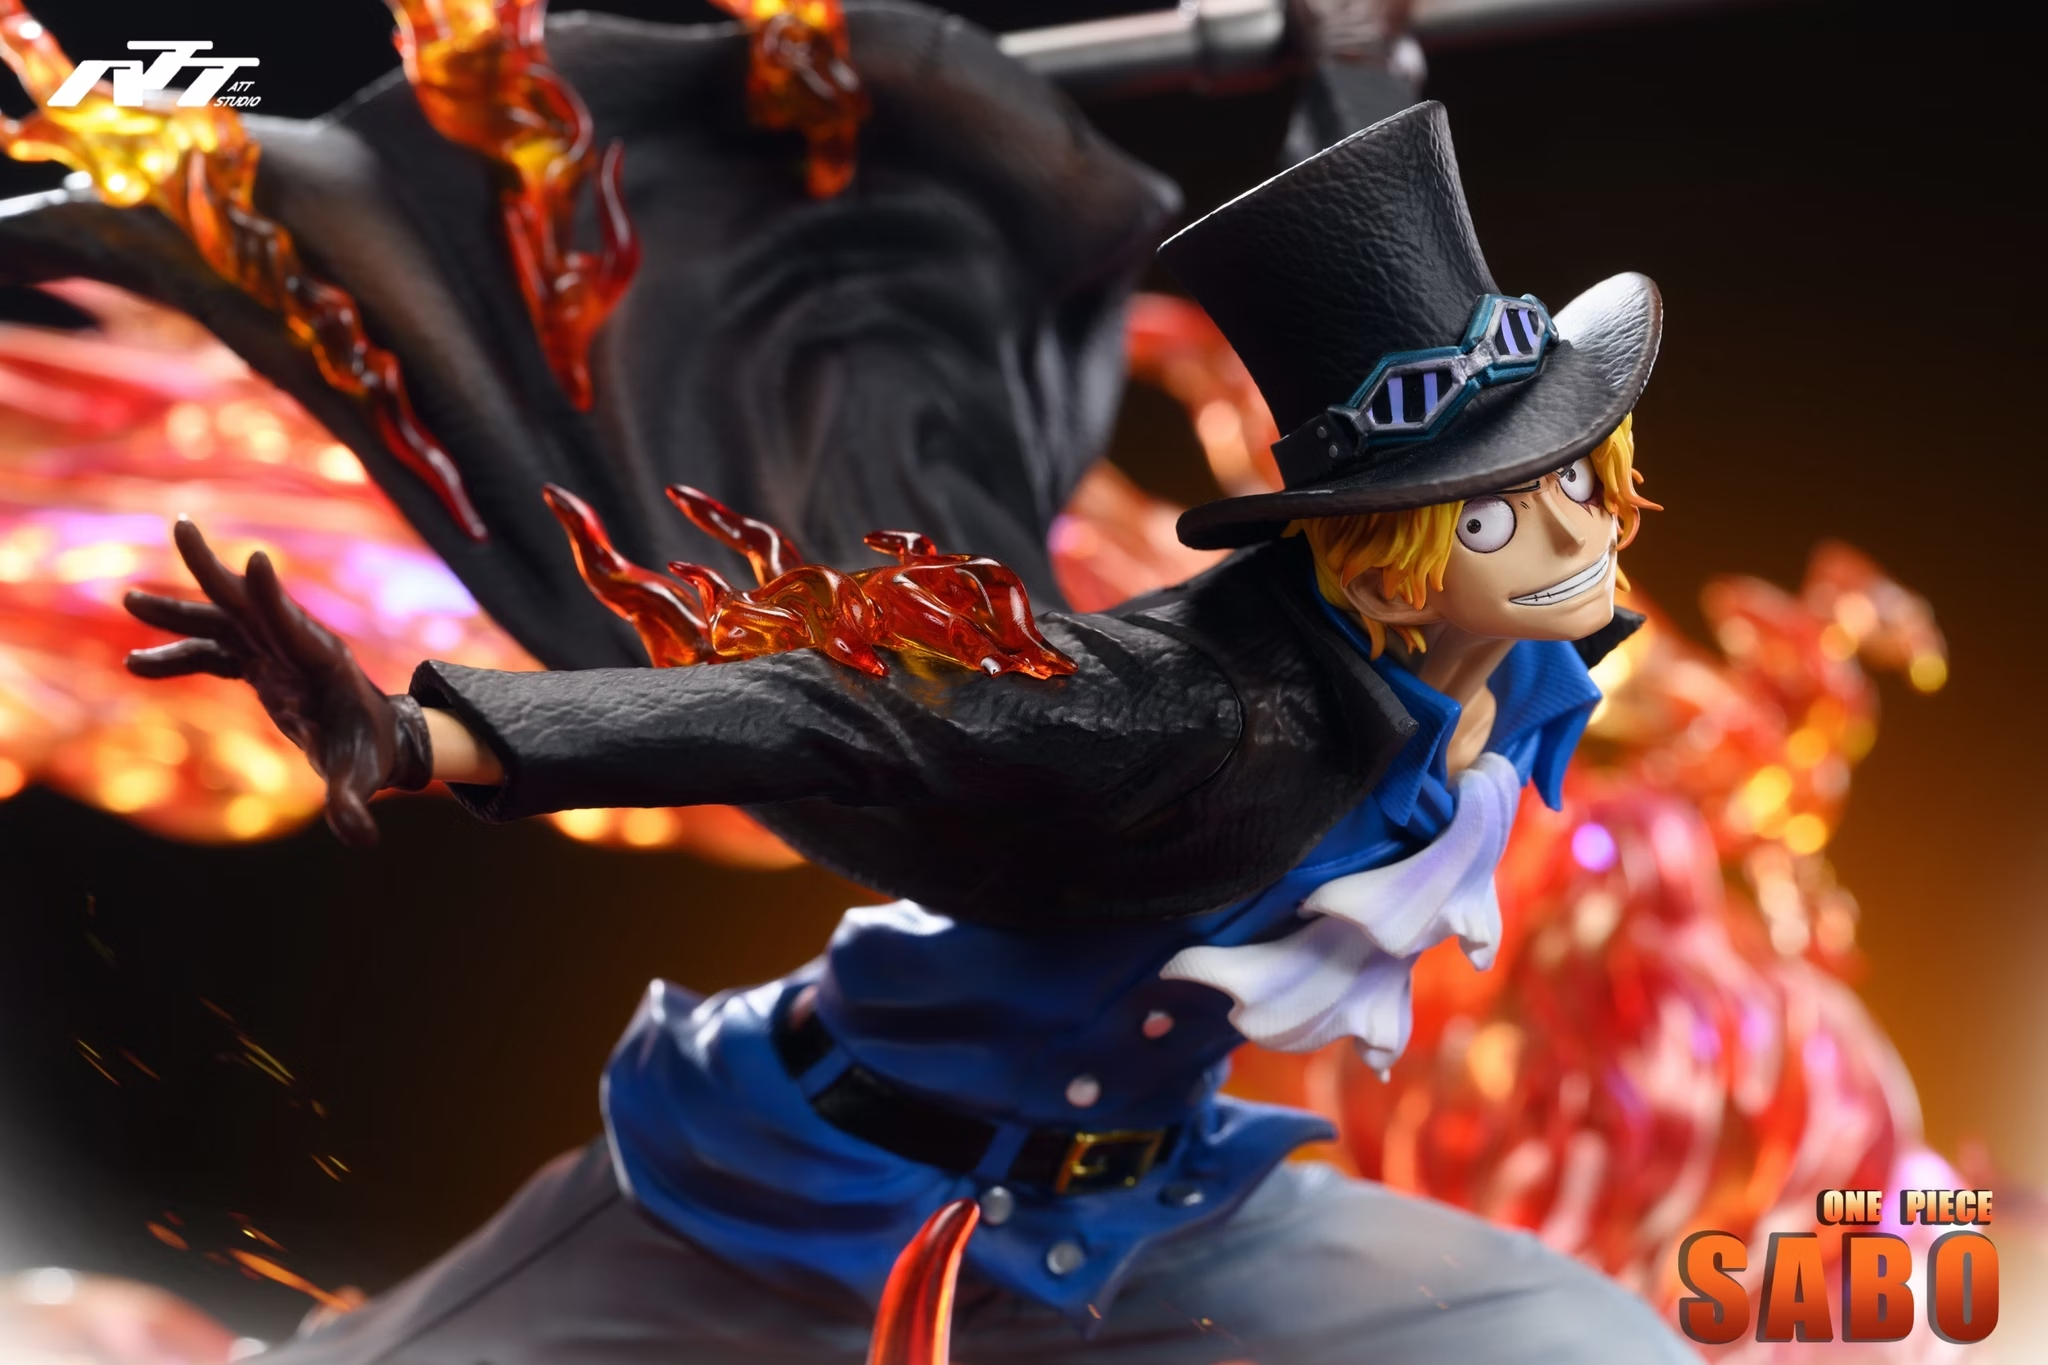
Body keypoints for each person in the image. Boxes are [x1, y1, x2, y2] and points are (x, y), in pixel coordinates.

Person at [120, 101, 1691, 1363]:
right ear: (1374, 551)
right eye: (1495, 510)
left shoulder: (1526, 663)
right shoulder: (1179, 705)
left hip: (1139, 1228)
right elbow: (830, 710)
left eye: (1574, 470)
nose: (1576, 530)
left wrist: (1350, 71)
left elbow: (1361, 262)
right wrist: (419, 736)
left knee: (1588, 1346)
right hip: (794, 1197)